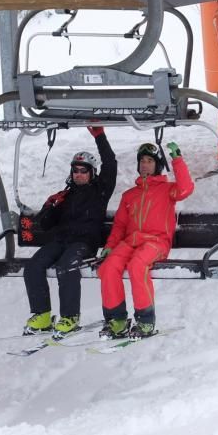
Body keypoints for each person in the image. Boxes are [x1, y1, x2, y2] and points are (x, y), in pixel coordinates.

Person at [22, 126, 116, 336]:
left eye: (84, 171)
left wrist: (99, 136)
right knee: (33, 266)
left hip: (84, 243)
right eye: (76, 170)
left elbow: (111, 164)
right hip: (61, 240)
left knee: (66, 267)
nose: (79, 174)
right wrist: (50, 207)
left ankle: (70, 317)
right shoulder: (66, 195)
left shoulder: (100, 190)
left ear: (92, 172)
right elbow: (45, 226)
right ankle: (42, 315)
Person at [97, 141, 194, 339]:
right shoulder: (129, 195)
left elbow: (186, 189)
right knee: (108, 267)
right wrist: (110, 247)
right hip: (130, 242)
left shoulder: (168, 190)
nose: (144, 164)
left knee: (137, 265)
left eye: (149, 161)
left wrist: (177, 160)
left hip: (156, 242)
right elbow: (120, 226)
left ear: (157, 165)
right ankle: (117, 320)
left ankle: (145, 321)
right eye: (142, 161)